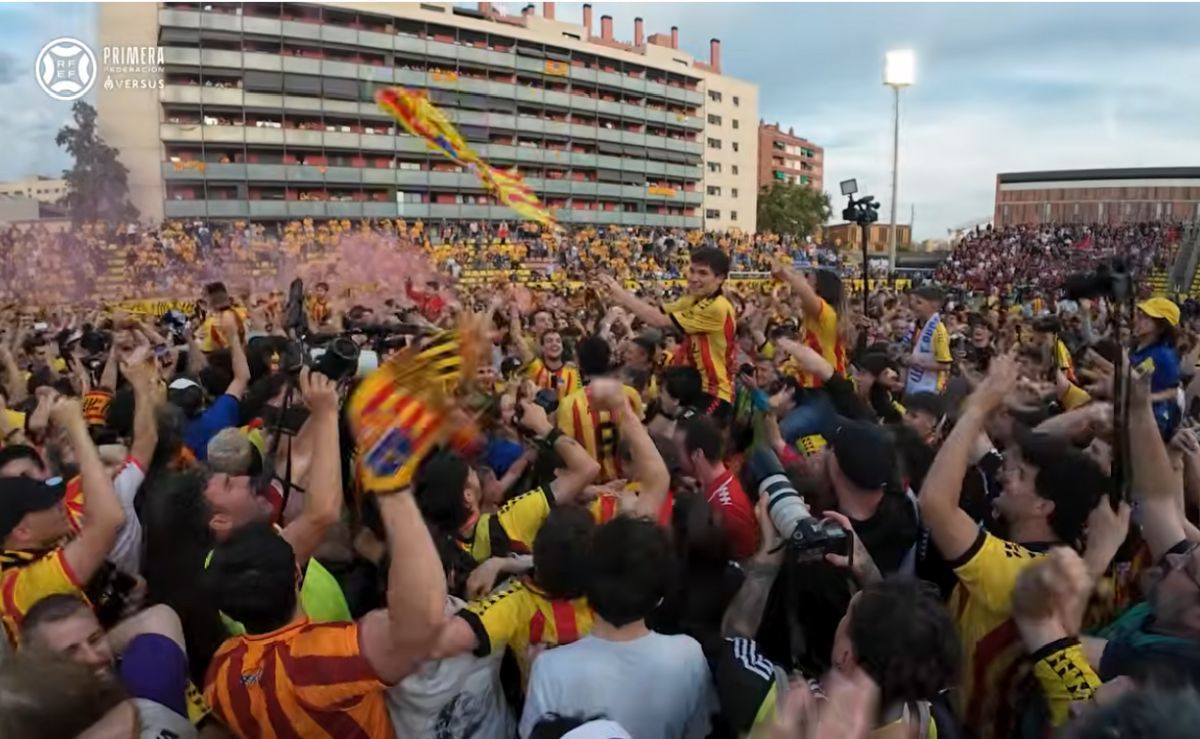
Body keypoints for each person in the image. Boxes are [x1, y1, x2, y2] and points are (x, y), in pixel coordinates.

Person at [918, 355, 1108, 739]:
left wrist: (978, 408)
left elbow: (934, 504)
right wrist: (990, 395)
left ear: (1043, 506)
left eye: (1018, 474)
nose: (1005, 472)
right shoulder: (1027, 523)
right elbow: (989, 450)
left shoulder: (1024, 572)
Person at [202, 466, 447, 739]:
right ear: (297, 572)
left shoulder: (219, 673)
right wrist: (398, 496)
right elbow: (425, 618)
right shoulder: (327, 655)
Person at [519, 516, 713, 739]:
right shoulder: (689, 656)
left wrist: (529, 678)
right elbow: (699, 731)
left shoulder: (549, 668)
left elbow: (533, 733)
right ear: (659, 598)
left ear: (586, 589)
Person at [415, 397, 600, 566]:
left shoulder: (435, 553)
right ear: (468, 495)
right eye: (472, 473)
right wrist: (544, 427)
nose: (480, 473)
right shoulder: (508, 521)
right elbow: (587, 468)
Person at [1, 397, 125, 646]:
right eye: (46, 504)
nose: (60, 505)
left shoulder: (26, 549)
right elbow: (110, 519)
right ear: (22, 531)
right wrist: (76, 426)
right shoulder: (22, 586)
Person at [20, 595, 202, 737]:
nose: (93, 657)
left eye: (95, 639)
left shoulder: (150, 680)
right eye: (71, 652)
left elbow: (158, 616)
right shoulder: (38, 728)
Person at [600, 246, 737, 420]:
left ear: (720, 278)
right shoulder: (693, 300)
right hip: (692, 388)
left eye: (703, 273)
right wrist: (620, 303)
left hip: (715, 393)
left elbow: (658, 320)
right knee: (654, 426)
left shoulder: (718, 307)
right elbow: (658, 311)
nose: (694, 278)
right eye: (692, 271)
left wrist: (621, 294)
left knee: (683, 438)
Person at [557, 336, 644, 483]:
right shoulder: (630, 394)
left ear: (579, 363)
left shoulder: (569, 405)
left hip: (592, 489)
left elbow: (566, 456)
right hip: (629, 483)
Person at [676, 415, 759, 560]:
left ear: (698, 455)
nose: (676, 456)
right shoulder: (715, 481)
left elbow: (744, 566)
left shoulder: (726, 510)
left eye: (679, 450)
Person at [177, 310, 250, 461]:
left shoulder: (169, 433)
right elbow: (242, 377)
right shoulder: (221, 413)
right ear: (202, 397)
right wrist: (233, 336)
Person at [1130, 296, 1182, 439]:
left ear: (1160, 327)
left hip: (1153, 420)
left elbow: (1173, 391)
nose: (1137, 320)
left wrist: (1147, 399)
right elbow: (1134, 374)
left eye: (1145, 318)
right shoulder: (1140, 347)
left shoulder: (1164, 357)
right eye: (1139, 315)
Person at [904, 285, 953, 396]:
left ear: (934, 305)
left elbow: (946, 365)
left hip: (930, 387)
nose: (913, 306)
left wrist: (918, 362)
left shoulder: (939, 331)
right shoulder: (915, 326)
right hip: (912, 384)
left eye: (919, 303)